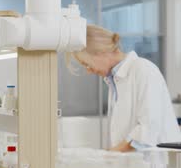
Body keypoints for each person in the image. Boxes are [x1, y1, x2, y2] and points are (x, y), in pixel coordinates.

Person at [70, 24, 181, 152]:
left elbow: (147, 130)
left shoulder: (143, 70)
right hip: (135, 164)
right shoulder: (114, 80)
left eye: (87, 64)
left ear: (101, 52)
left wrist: (109, 155)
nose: (88, 71)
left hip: (158, 165)